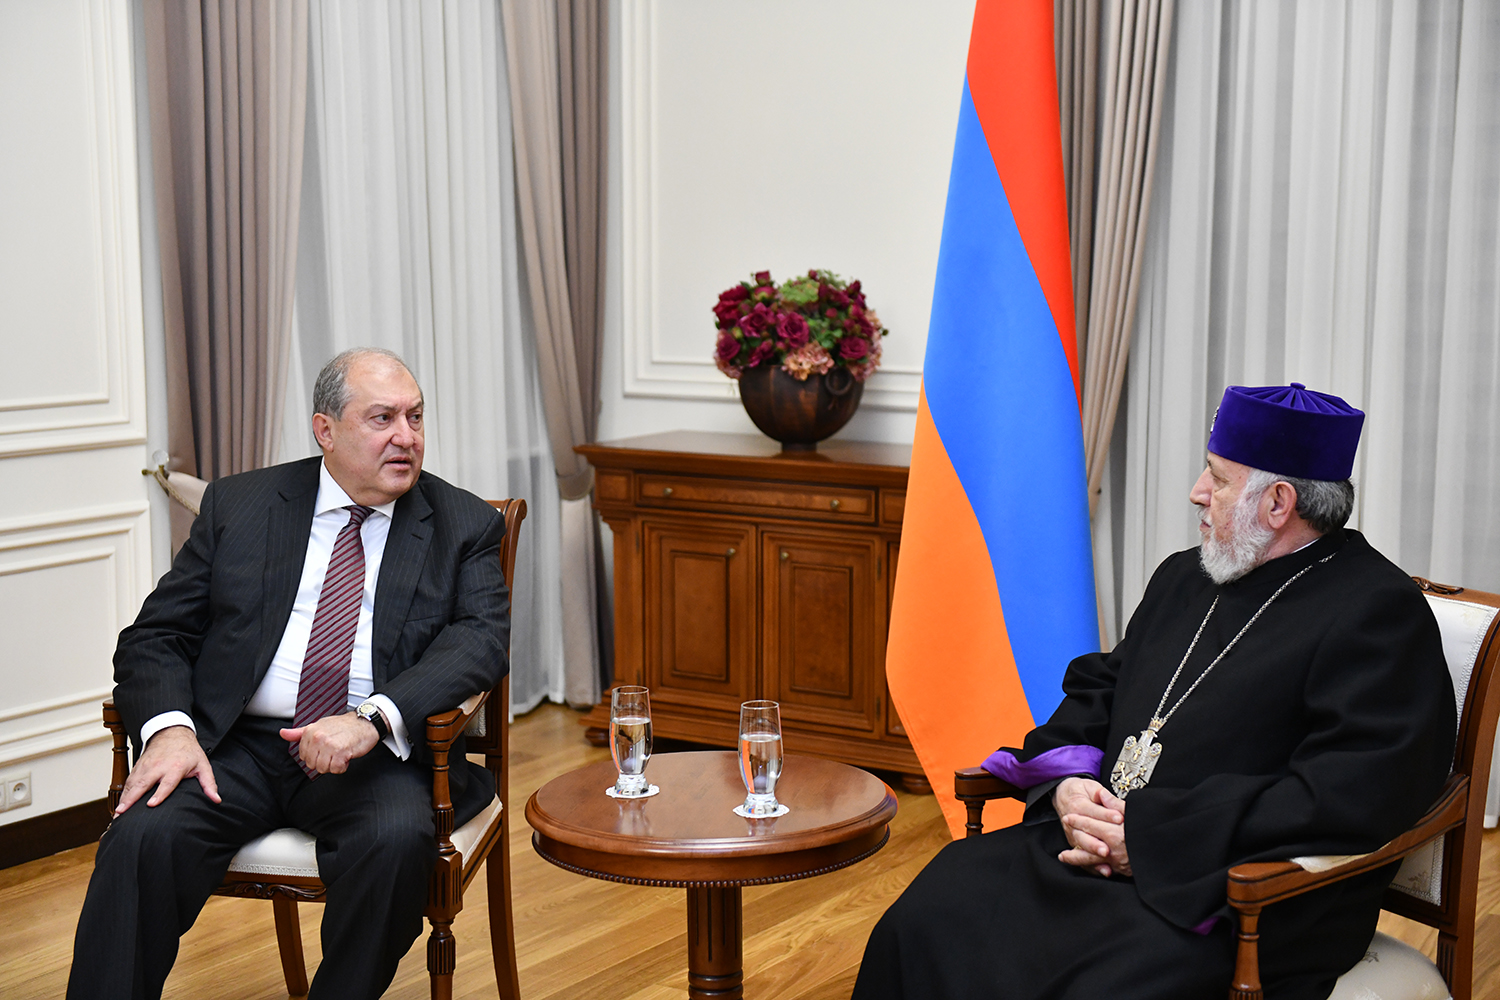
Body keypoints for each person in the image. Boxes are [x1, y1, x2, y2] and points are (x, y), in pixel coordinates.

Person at [852, 383, 1456, 1000]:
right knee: (927, 917)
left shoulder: (1378, 612)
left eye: (1217, 478)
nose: (1197, 490)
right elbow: (1104, 688)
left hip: (1233, 894)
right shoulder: (1185, 577)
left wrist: (1151, 838)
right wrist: (1067, 785)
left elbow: (1350, 791)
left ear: (1279, 502)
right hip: (1096, 848)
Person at [68, 348, 510, 1000]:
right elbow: (156, 635)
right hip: (234, 748)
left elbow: (479, 643)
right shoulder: (242, 505)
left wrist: (372, 718)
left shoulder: (463, 524)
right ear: (324, 429)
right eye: (382, 418)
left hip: (370, 758)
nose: (407, 437)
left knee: (395, 843)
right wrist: (169, 731)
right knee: (141, 838)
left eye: (415, 417)